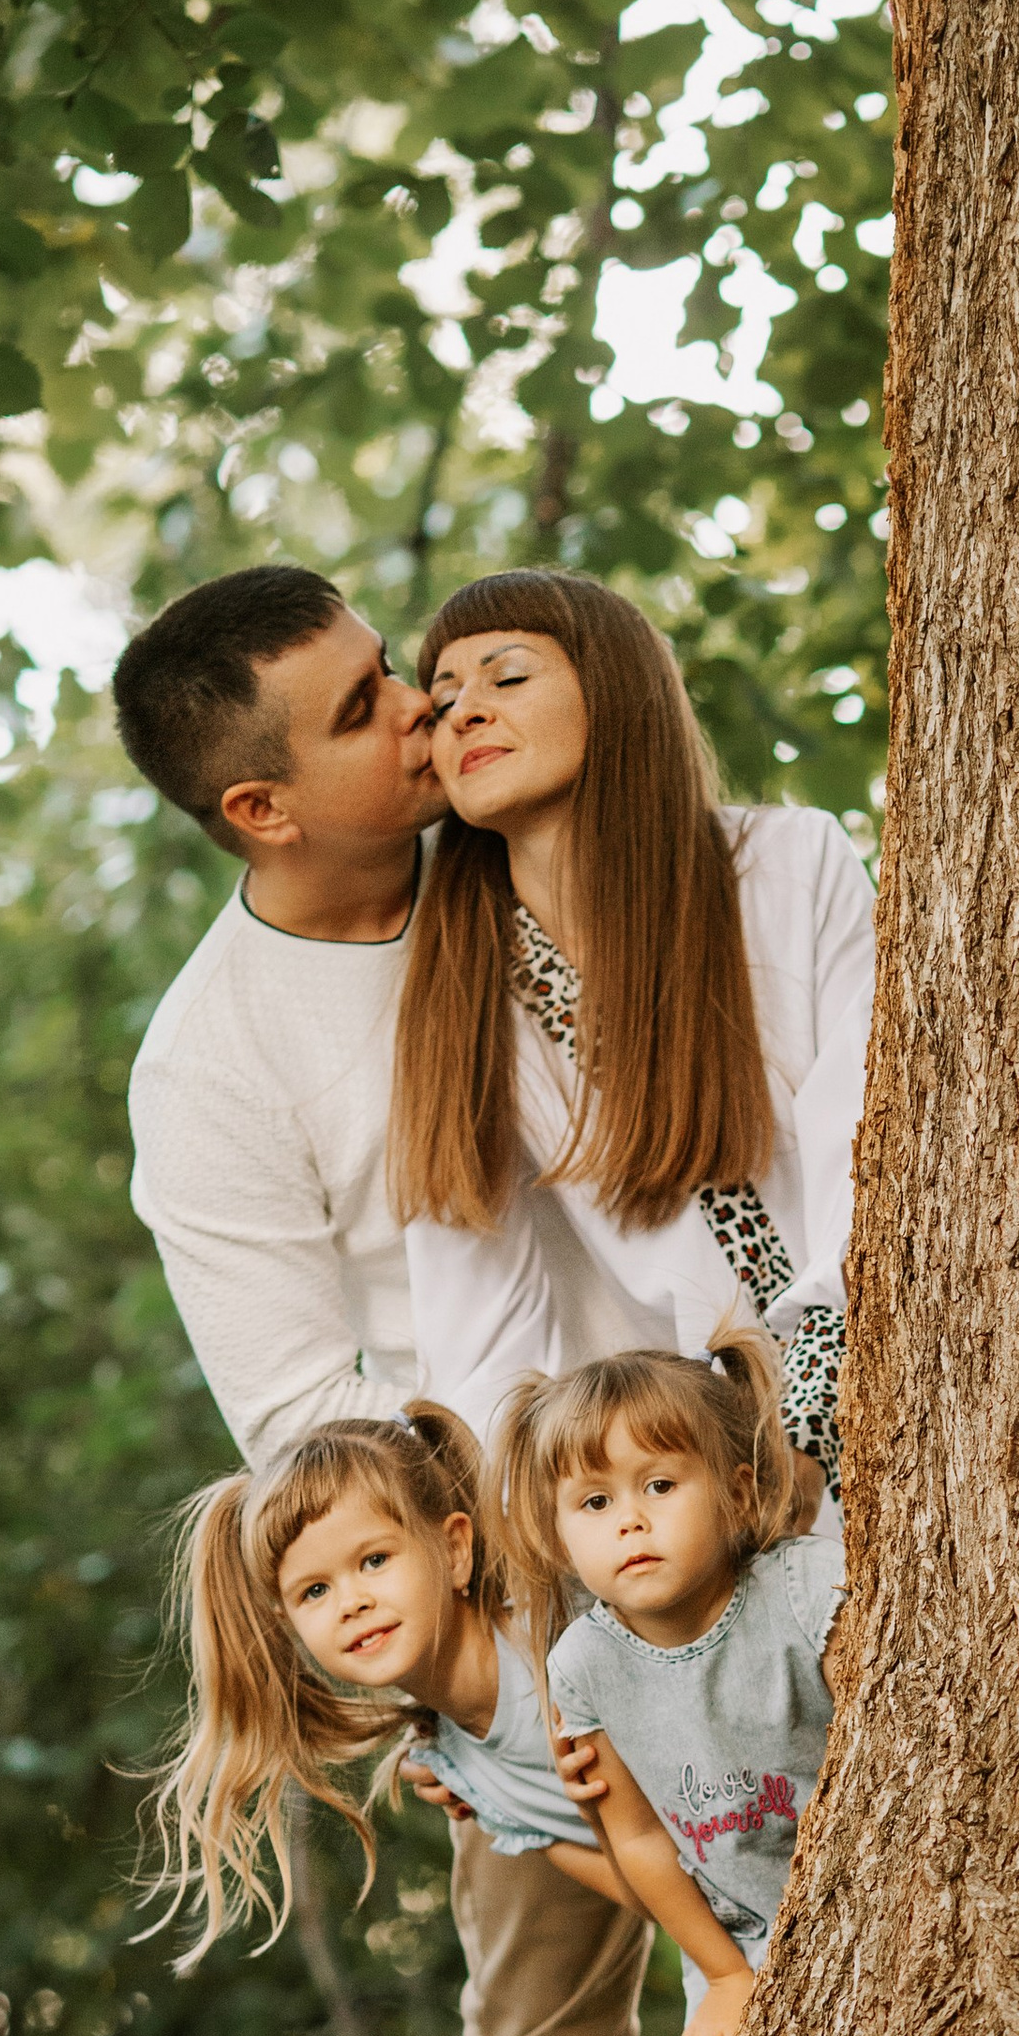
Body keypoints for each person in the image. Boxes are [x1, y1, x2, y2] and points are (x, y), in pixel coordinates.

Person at [113, 566, 648, 2036]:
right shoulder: (214, 1066)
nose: (423, 709)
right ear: (260, 807)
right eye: (363, 710)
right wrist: (503, 1601)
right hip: (518, 1586)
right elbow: (300, 1420)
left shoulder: (522, 854)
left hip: (765, 1480)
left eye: (391, 669)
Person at [392, 571, 875, 1503]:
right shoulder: (463, 993)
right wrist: (544, 1536)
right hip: (695, 1494)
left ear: (614, 688)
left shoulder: (788, 865)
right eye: (443, 701)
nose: (464, 712)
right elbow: (477, 1340)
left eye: (507, 677)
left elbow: (871, 1152)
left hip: (900, 1381)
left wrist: (810, 1423)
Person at [496, 1335, 846, 2036]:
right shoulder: (582, 1666)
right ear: (558, 1535)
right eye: (595, 1502)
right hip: (736, 1938)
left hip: (864, 1886)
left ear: (736, 1493)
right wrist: (723, 1976)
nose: (630, 1520)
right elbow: (641, 1838)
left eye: (659, 1485)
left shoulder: (805, 1586)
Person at [143, 1406, 617, 1959]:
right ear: (288, 1624)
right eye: (314, 1591)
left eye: (373, 1560)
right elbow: (649, 1890)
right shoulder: (457, 1772)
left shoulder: (573, 1645)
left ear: (454, 1550)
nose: (351, 1603)